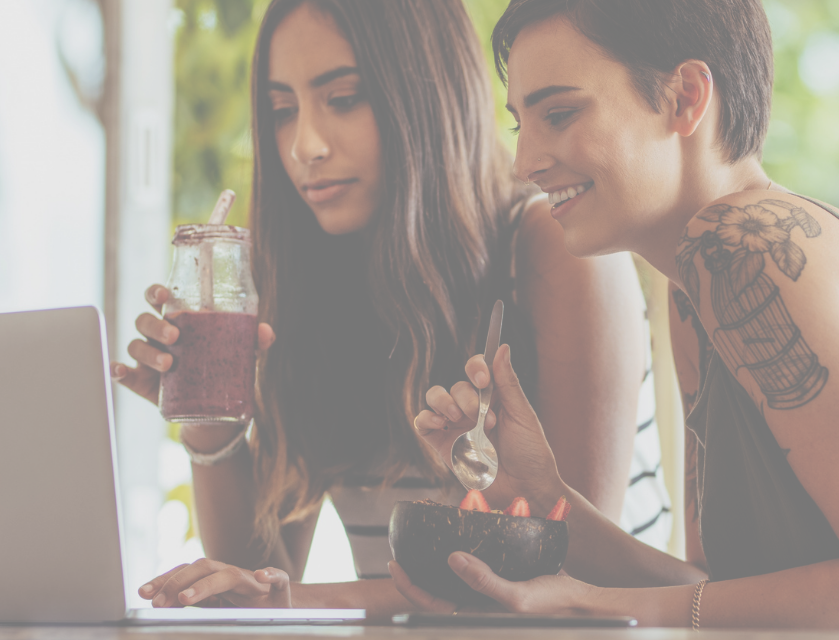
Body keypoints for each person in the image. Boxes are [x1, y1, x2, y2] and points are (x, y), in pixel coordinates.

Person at [398, 0, 839, 631]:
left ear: (685, 98)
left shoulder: (743, 247)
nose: (523, 163)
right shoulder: (697, 286)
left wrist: (593, 603)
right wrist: (545, 497)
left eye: (559, 114)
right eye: (519, 127)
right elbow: (718, 596)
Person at [115, 0, 674, 614]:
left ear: (427, 94)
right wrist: (212, 428)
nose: (305, 145)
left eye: (344, 98)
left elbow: (554, 568)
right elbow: (256, 580)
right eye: (281, 111)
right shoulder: (307, 270)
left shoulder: (551, 249)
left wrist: (299, 598)